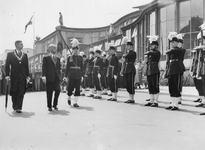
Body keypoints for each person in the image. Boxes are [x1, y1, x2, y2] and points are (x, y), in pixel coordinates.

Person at [5, 40, 30, 113]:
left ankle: (19, 107)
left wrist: (27, 76)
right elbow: (7, 65)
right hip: (14, 76)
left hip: (22, 76)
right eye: (21, 44)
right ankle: (15, 105)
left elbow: (26, 66)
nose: (23, 46)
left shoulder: (25, 55)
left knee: (21, 91)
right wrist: (7, 75)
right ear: (16, 45)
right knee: (14, 91)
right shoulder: (10, 54)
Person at [164, 32, 185, 111]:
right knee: (171, 87)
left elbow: (172, 51)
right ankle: (172, 103)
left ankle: (176, 104)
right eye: (172, 42)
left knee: (176, 86)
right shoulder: (171, 50)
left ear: (177, 43)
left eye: (174, 42)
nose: (173, 43)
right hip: (171, 69)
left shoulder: (180, 50)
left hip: (177, 69)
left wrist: (170, 50)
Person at [64, 38, 83, 107]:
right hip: (71, 75)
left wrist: (82, 75)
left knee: (77, 88)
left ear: (78, 50)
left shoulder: (80, 58)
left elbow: (82, 67)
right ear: (72, 50)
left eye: (76, 50)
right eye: (74, 50)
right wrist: (65, 76)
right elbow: (67, 67)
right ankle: (69, 97)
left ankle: (75, 102)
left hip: (78, 75)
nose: (75, 51)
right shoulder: (70, 57)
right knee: (70, 88)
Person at [42, 44, 61, 111]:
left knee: (58, 90)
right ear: (50, 49)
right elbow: (44, 68)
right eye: (54, 48)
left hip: (56, 77)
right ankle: (49, 106)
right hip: (49, 77)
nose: (55, 49)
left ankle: (55, 104)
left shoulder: (58, 58)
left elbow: (59, 68)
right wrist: (44, 76)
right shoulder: (46, 58)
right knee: (49, 92)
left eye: (55, 48)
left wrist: (59, 76)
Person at [144, 35, 161, 107]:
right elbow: (147, 62)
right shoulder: (150, 53)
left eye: (153, 45)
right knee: (150, 86)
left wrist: (148, 52)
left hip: (155, 71)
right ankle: (151, 100)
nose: (151, 46)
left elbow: (152, 53)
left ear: (156, 46)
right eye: (151, 45)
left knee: (155, 86)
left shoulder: (157, 52)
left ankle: (156, 101)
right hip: (149, 71)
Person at [176, 34, 186, 104]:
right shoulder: (175, 50)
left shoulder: (182, 50)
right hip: (174, 68)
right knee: (175, 83)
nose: (180, 44)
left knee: (179, 83)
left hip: (180, 67)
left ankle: (179, 97)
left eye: (181, 43)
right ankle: (175, 97)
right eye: (179, 43)